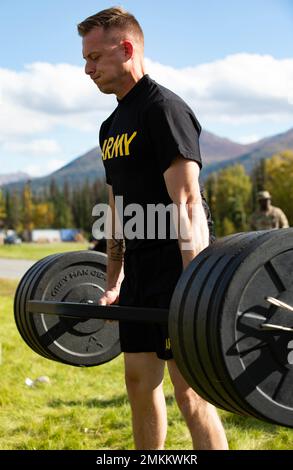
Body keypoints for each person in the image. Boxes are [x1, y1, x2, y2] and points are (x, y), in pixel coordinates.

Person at [77, 7, 228, 450]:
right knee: (139, 383)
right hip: (140, 272)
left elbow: (186, 202)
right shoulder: (111, 126)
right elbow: (116, 205)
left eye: (94, 58)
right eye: (85, 60)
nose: (88, 70)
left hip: (178, 270)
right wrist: (114, 280)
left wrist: (193, 287)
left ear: (126, 49)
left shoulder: (164, 109)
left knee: (191, 392)